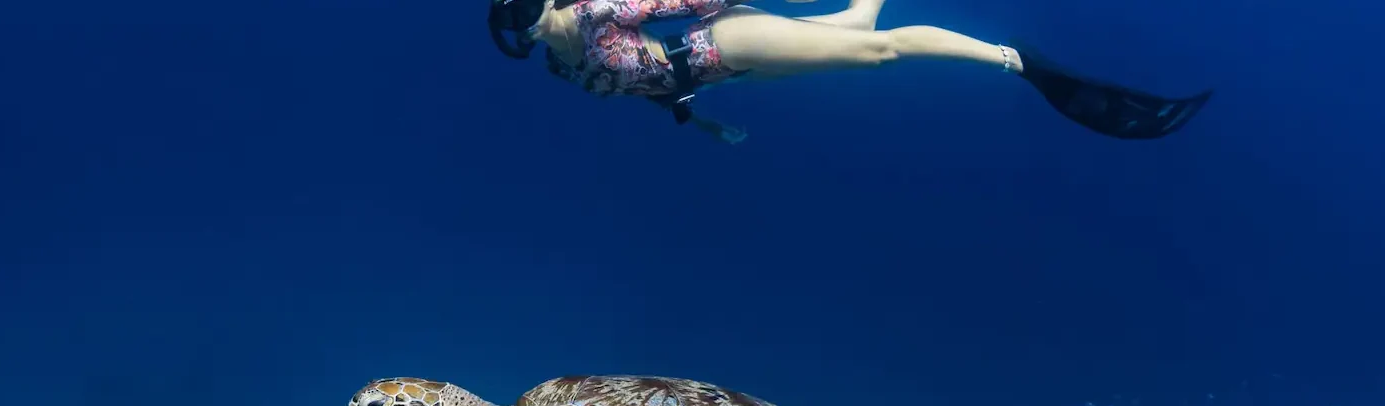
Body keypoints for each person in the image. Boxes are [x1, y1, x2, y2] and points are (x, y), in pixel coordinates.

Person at [488, 0, 1212, 143]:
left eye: (528, 9)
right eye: (518, 25)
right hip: (723, 73)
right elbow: (644, 88)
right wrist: (699, 120)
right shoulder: (565, 68)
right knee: (857, 26)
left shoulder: (593, 14)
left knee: (878, 48)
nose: (532, 26)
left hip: (731, 41)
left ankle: (1020, 63)